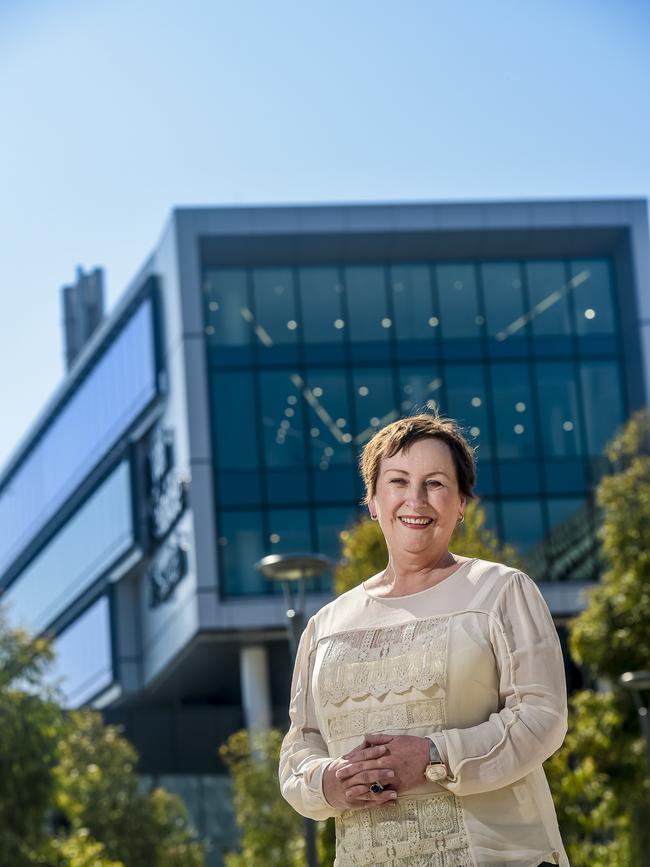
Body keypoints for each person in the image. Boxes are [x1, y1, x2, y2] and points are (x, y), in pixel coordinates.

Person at [279, 413, 569, 867]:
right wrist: (329, 781)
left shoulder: (501, 591)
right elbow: (300, 745)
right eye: (398, 481)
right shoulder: (326, 625)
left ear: (462, 503)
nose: (416, 499)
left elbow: (541, 716)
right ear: (373, 500)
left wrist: (435, 756)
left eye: (435, 483)